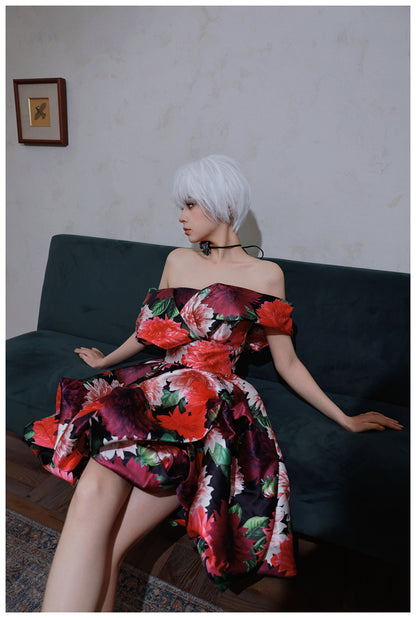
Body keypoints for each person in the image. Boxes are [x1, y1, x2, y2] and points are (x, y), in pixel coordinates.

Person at [23, 154, 403, 612]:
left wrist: (345, 418)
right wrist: (106, 361)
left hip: (209, 402)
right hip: (155, 387)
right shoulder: (177, 260)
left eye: (189, 205)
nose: (180, 217)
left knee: (109, 539)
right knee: (96, 519)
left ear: (222, 204)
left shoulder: (266, 275)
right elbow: (148, 332)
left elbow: (288, 363)